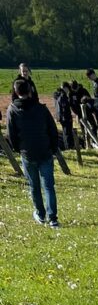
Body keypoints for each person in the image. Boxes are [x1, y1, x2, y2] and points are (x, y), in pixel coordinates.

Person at [6, 78, 60, 227]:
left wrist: (18, 149)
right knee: (48, 186)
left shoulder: (13, 110)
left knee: (34, 185)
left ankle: (41, 214)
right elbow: (52, 129)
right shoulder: (41, 108)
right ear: (30, 91)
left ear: (16, 92)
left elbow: (11, 133)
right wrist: (53, 147)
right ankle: (53, 218)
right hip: (44, 150)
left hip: (27, 152)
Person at [53, 84, 75, 149]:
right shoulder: (63, 96)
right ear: (65, 88)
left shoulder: (59, 96)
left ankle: (68, 146)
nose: (68, 90)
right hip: (65, 118)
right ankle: (69, 146)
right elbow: (65, 108)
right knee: (67, 133)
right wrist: (69, 117)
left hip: (62, 117)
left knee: (66, 132)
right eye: (67, 89)